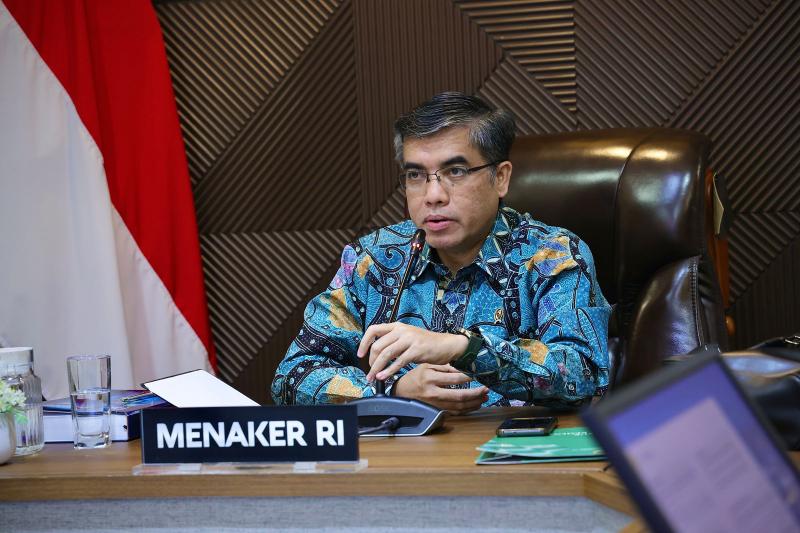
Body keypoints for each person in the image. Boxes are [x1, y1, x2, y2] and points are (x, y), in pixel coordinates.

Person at [271, 92, 610, 412]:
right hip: (406, 454)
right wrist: (393, 393)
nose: (433, 195)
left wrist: (464, 348)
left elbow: (584, 375)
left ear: (500, 178)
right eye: (416, 175)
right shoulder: (373, 260)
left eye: (455, 172)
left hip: (516, 451)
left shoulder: (553, 256)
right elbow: (292, 377)